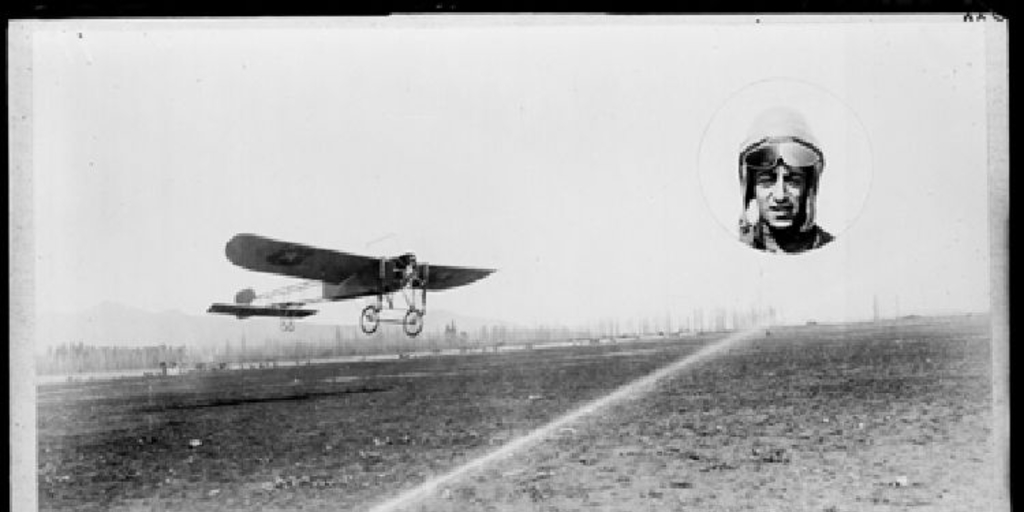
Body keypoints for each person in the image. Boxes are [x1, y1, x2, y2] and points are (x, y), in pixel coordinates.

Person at [737, 107, 834, 253]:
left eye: (793, 180)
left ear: (809, 186)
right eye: (766, 181)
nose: (780, 196)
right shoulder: (735, 253)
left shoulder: (833, 251)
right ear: (751, 188)